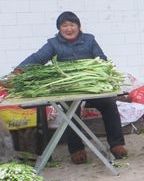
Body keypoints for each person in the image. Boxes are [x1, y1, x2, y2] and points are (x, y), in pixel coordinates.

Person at [16, 11, 127, 164]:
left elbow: (101, 58)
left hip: (91, 86)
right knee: (70, 111)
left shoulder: (89, 40)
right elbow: (37, 58)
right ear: (59, 28)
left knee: (109, 103)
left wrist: (94, 68)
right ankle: (76, 149)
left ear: (78, 26)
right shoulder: (53, 44)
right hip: (69, 88)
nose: (69, 29)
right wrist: (17, 72)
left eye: (72, 25)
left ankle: (116, 144)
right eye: (64, 25)